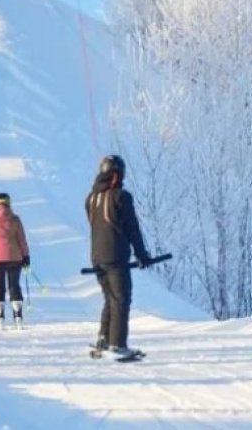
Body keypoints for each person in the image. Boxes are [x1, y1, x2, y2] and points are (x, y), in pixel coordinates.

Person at [86, 154, 154, 360]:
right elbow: (132, 228)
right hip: (116, 256)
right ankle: (117, 345)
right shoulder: (121, 196)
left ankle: (104, 339)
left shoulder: (91, 198)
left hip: (97, 257)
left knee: (109, 299)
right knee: (121, 300)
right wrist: (142, 255)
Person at [0, 192, 29, 328]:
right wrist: (25, 256)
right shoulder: (15, 219)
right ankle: (18, 316)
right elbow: (22, 240)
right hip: (15, 257)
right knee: (14, 285)